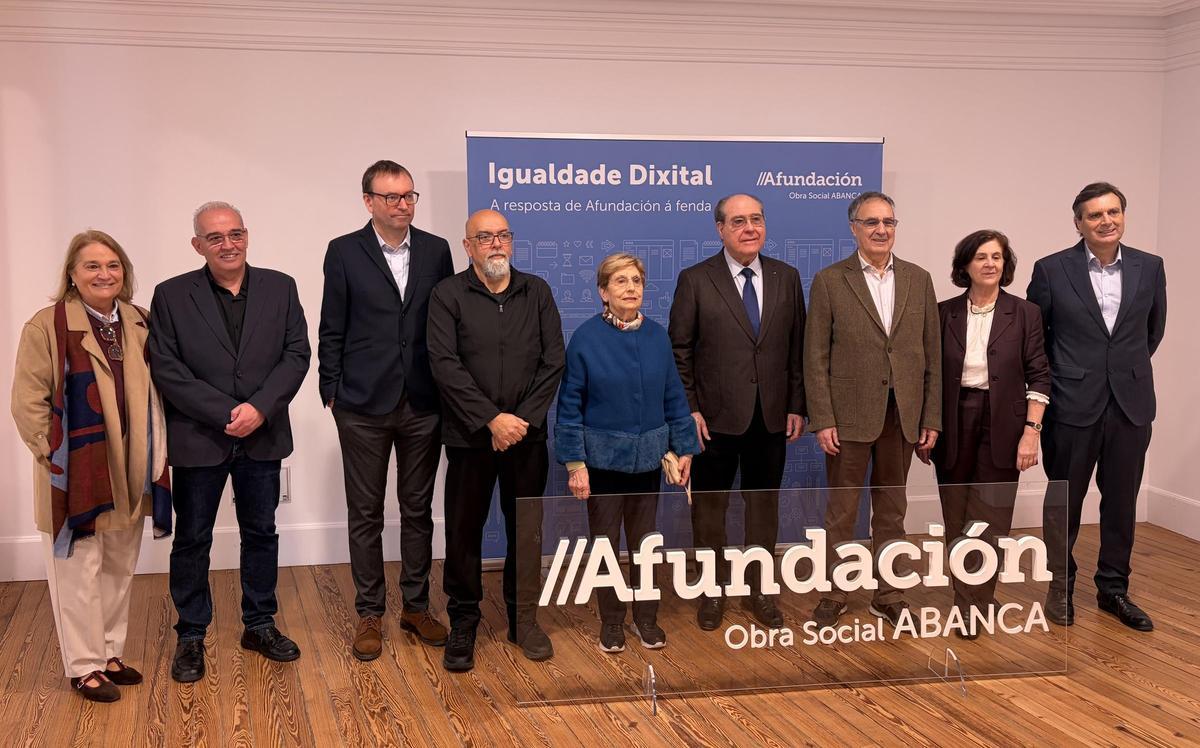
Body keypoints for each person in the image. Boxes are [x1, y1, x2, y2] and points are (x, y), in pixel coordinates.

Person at [149, 201, 310, 683]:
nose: (227, 244)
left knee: (261, 533)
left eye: (235, 234)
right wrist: (224, 412)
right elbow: (166, 367)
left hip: (264, 434)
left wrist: (260, 407)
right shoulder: (171, 295)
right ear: (197, 244)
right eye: (215, 237)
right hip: (200, 437)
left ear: (247, 236)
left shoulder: (281, 287)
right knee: (193, 538)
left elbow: (297, 353)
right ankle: (191, 634)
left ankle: (259, 624)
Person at [11, 230, 171, 703]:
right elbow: (27, 403)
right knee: (77, 570)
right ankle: (83, 666)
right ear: (72, 276)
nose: (105, 274)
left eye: (113, 265)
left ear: (125, 272)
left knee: (119, 565)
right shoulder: (48, 325)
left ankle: (108, 653)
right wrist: (55, 458)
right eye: (92, 266)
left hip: (131, 467)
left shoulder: (142, 321)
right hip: (76, 471)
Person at [319, 160, 455, 660]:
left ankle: (416, 606)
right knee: (366, 513)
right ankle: (369, 612)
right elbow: (331, 323)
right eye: (393, 197)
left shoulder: (437, 250)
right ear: (368, 201)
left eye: (409, 196)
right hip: (360, 402)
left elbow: (445, 322)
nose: (403, 206)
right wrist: (329, 388)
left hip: (423, 400)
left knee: (418, 510)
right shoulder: (344, 251)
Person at [427, 210, 564, 672]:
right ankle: (463, 620)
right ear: (468, 247)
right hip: (469, 437)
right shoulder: (448, 294)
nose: (496, 244)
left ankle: (523, 619)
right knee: (464, 530)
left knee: (525, 529)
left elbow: (553, 362)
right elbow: (444, 363)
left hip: (526, 439)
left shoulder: (537, 291)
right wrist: (491, 419)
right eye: (484, 237)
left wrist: (519, 421)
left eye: (503, 235)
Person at [1027, 182, 1167, 631]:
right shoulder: (1050, 270)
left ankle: (1113, 590)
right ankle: (1059, 587)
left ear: (1123, 215)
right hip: (1071, 404)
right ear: (1078, 223)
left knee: (1122, 501)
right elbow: (1037, 341)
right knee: (1064, 501)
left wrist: (1120, 373)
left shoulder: (1150, 267)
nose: (1106, 221)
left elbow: (1152, 332)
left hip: (1130, 403)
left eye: (1113, 212)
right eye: (1094, 215)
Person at [667, 194, 806, 632]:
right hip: (713, 419)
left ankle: (759, 589)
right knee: (709, 509)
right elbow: (679, 351)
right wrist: (689, 409)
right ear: (721, 230)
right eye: (739, 221)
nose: (751, 228)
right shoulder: (695, 279)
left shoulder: (787, 276)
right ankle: (712, 589)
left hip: (771, 417)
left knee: (763, 507)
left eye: (757, 219)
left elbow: (797, 349)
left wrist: (797, 405)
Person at [805, 190, 941, 629]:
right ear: (854, 229)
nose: (882, 230)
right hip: (847, 418)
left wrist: (930, 418)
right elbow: (816, 358)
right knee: (842, 511)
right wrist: (822, 419)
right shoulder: (830, 280)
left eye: (889, 222)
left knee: (892, 509)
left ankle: (889, 593)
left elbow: (932, 356)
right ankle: (835, 591)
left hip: (902, 415)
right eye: (871, 222)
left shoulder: (919, 279)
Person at [559, 252, 701, 653]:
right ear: (603, 292)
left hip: (647, 463)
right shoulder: (586, 338)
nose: (630, 288)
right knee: (605, 546)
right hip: (601, 464)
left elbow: (674, 395)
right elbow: (570, 404)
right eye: (620, 282)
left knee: (646, 545)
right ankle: (612, 622)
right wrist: (575, 464)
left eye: (636, 281)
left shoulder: (657, 336)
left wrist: (684, 448)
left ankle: (647, 619)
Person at [924, 230, 1051, 637]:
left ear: (1005, 264)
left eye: (997, 257)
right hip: (953, 421)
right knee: (957, 515)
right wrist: (927, 425)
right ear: (965, 265)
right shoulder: (943, 313)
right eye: (981, 257)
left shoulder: (1026, 313)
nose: (990, 264)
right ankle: (971, 599)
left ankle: (973, 604)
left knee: (991, 518)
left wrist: (1031, 433)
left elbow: (1040, 375)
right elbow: (927, 375)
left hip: (1005, 424)